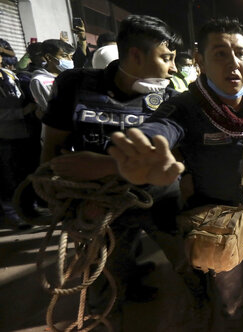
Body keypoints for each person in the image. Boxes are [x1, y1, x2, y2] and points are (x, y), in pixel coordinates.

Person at [107, 17, 243, 332]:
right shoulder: (185, 107)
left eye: (240, 53)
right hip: (214, 224)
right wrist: (147, 145)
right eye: (220, 53)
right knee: (228, 296)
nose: (234, 62)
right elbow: (161, 128)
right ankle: (230, 320)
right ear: (199, 60)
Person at [40, 14, 188, 322]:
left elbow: (170, 157)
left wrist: (107, 166)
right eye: (166, 58)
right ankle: (107, 314)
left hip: (156, 197)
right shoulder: (76, 85)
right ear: (135, 55)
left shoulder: (169, 96)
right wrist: (58, 199)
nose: (173, 68)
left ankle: (204, 307)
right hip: (101, 202)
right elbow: (52, 146)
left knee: (192, 262)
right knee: (105, 279)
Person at [0, 53, 36, 230]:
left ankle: (28, 208)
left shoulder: (9, 74)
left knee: (24, 172)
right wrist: (20, 113)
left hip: (22, 133)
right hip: (3, 137)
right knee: (7, 178)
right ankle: (12, 215)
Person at [30, 39, 75, 112]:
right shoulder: (40, 81)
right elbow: (49, 110)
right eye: (64, 56)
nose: (70, 60)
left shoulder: (71, 75)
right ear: (49, 57)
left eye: (71, 57)